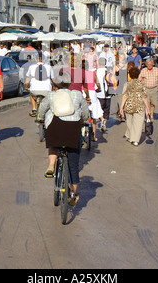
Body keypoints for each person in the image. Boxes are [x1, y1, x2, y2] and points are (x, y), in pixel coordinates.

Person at [38, 71, 89, 206]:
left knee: (54, 143)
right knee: (73, 165)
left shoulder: (51, 95)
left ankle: (51, 165)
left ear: (54, 83)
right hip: (73, 130)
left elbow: (42, 109)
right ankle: (73, 194)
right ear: (69, 82)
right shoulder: (77, 94)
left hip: (56, 127)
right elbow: (85, 112)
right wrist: (83, 121)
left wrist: (41, 119)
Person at [120, 67, 150, 146]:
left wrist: (121, 107)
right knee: (138, 123)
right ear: (138, 74)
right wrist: (148, 108)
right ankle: (135, 140)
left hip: (129, 105)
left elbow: (124, 96)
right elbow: (144, 97)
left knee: (129, 122)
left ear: (129, 74)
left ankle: (130, 136)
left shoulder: (127, 84)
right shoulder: (141, 84)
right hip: (139, 105)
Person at [25, 51, 54, 117]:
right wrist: (53, 88)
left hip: (35, 90)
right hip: (47, 90)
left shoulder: (31, 67)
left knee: (31, 94)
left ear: (35, 59)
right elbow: (52, 79)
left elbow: (27, 78)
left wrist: (26, 87)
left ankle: (34, 109)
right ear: (44, 60)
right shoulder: (49, 67)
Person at [96, 57, 112, 132]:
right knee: (106, 110)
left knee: (99, 109)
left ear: (98, 63)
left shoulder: (96, 72)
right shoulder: (109, 71)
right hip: (108, 94)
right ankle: (104, 123)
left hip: (99, 94)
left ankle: (101, 121)